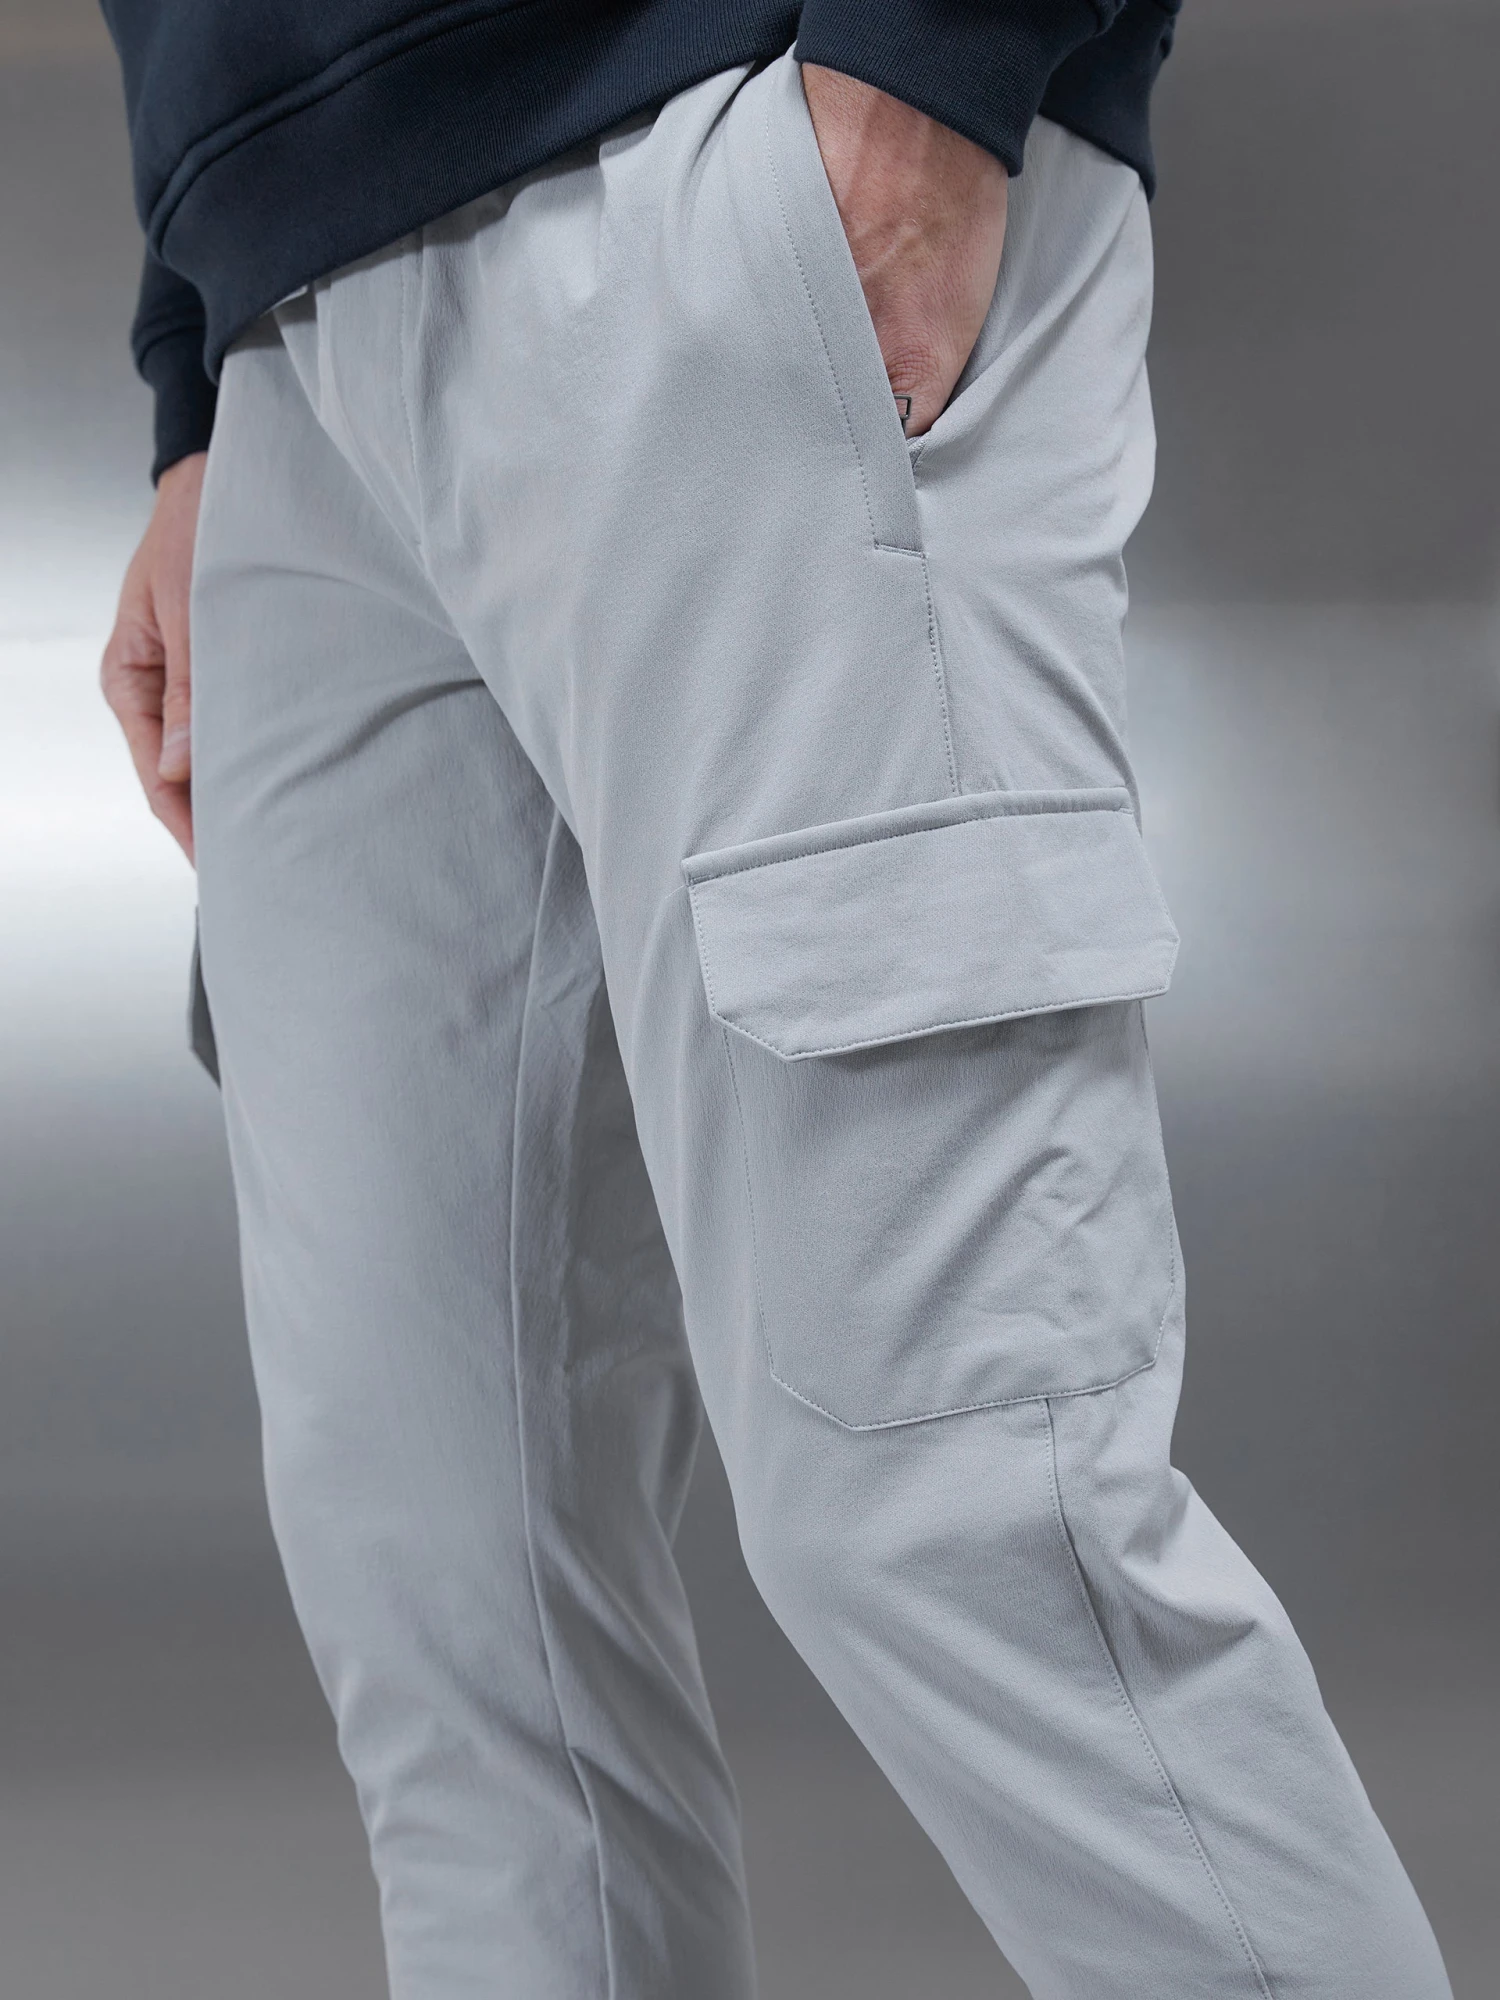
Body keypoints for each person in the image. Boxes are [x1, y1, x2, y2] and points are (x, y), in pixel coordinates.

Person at [96, 4, 1452, 1995]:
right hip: (285, 341)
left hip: (722, 141)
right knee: (459, 1624)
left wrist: (940, 49)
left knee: (970, 1516)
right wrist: (194, 370)